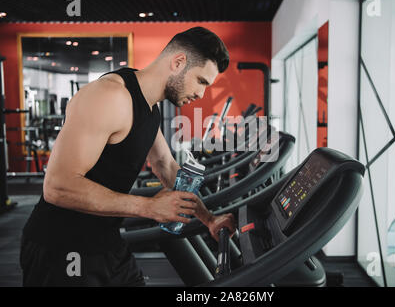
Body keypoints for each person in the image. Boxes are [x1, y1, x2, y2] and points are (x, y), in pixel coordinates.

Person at [20, 27, 235, 287]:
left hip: (106, 241)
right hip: (60, 249)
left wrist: (209, 219)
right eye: (201, 81)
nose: (201, 95)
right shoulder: (110, 97)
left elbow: (166, 166)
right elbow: (57, 187)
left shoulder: (149, 105)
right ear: (178, 62)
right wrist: (149, 207)